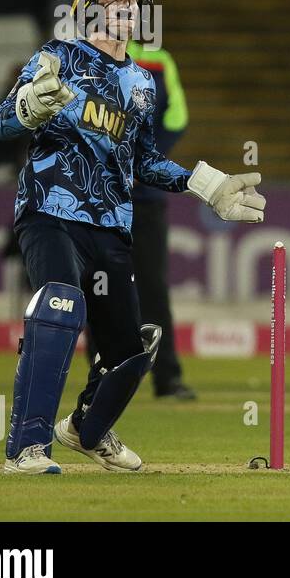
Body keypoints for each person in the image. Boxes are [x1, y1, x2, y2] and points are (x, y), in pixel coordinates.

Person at [0, 0, 267, 475]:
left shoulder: (142, 82)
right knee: (58, 303)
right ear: (86, 7)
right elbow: (2, 122)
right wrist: (30, 104)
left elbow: (141, 159)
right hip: (50, 209)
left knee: (132, 345)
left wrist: (204, 184)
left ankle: (85, 429)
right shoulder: (59, 56)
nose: (125, 3)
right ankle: (27, 448)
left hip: (112, 223)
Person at [126, 39, 196, 399]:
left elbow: (177, 119)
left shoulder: (158, 60)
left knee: (152, 287)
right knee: (98, 286)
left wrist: (144, 162)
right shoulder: (83, 53)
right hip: (98, 194)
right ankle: (105, 381)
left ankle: (166, 377)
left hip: (144, 197)